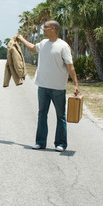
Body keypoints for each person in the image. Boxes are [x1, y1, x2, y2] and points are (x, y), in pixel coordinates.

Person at [17, 21, 79, 152]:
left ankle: (61, 144)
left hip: (58, 88)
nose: (43, 29)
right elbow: (33, 48)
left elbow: (70, 66)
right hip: (43, 86)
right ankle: (40, 142)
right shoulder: (43, 43)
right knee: (42, 114)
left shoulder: (63, 46)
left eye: (45, 27)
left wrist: (76, 84)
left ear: (54, 28)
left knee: (60, 116)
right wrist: (21, 39)